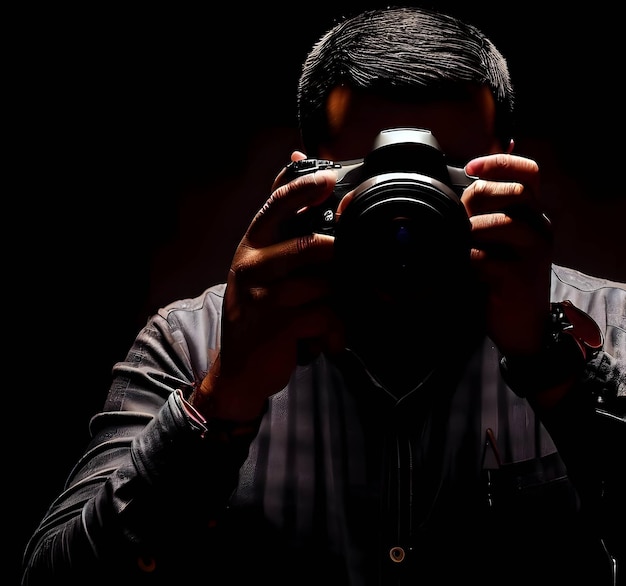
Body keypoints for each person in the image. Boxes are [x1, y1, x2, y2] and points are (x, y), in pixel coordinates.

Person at [21, 7, 625, 586]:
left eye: (443, 177)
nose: (408, 214)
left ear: (507, 169)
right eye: (379, 176)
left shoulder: (609, 323)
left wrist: (553, 368)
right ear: (306, 176)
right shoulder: (198, 343)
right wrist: (225, 394)